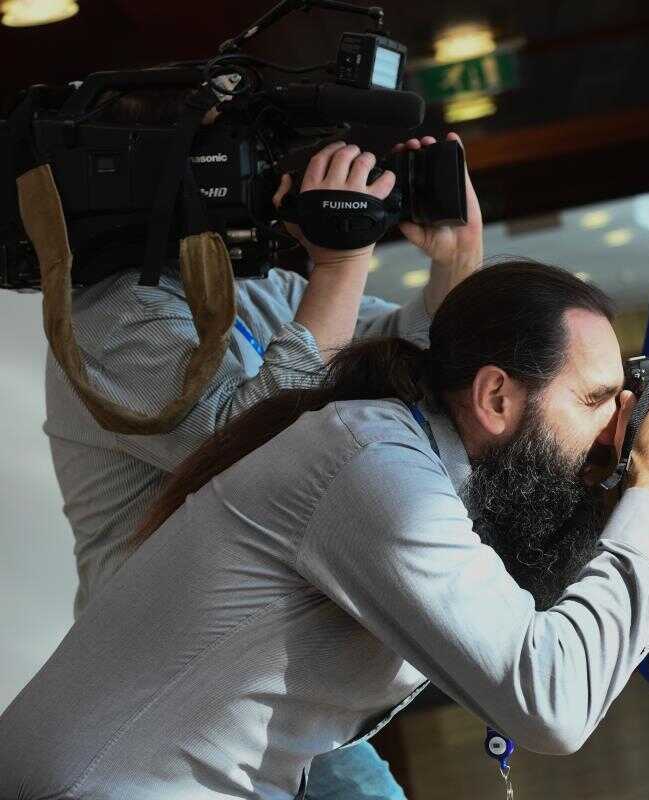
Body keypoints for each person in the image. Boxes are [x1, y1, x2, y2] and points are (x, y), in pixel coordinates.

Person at [0, 260, 649, 799]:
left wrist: (638, 501)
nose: (616, 426)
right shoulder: (373, 469)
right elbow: (550, 701)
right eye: (598, 399)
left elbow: (527, 606)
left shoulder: (423, 468)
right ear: (496, 396)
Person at [41, 106, 484, 800]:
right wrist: (342, 261)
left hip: (285, 719)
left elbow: (411, 368)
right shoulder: (107, 314)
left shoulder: (257, 289)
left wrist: (456, 266)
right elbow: (261, 450)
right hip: (166, 730)